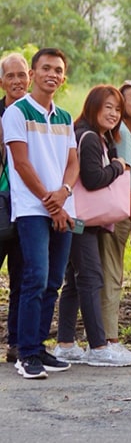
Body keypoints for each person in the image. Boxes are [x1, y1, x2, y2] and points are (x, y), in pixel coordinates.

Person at [3, 48, 78, 379]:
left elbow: (73, 162)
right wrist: (51, 202)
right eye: (45, 68)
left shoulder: (64, 116)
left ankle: (39, 346)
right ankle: (26, 354)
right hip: (33, 209)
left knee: (53, 281)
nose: (52, 73)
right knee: (35, 276)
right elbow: (20, 162)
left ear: (62, 77)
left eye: (58, 70)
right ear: (34, 74)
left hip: (64, 207)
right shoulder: (16, 112)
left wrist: (64, 195)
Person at [53, 85, 131, 367]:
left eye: (117, 109)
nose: (114, 114)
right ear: (93, 107)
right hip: (81, 221)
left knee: (75, 281)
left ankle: (65, 343)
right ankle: (98, 347)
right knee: (90, 277)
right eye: (108, 107)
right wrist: (118, 166)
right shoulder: (88, 138)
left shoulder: (92, 135)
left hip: (77, 218)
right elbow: (92, 179)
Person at [93, 80, 131, 364]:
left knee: (109, 273)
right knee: (111, 275)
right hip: (120, 213)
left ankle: (105, 338)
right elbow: (123, 180)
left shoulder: (127, 133)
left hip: (123, 212)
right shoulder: (123, 135)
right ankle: (108, 340)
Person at [0, 52, 28, 363]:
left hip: (27, 209)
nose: (17, 81)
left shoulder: (37, 113)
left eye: (22, 75)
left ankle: (17, 343)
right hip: (1, 203)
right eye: (11, 76)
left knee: (23, 278)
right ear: (2, 82)